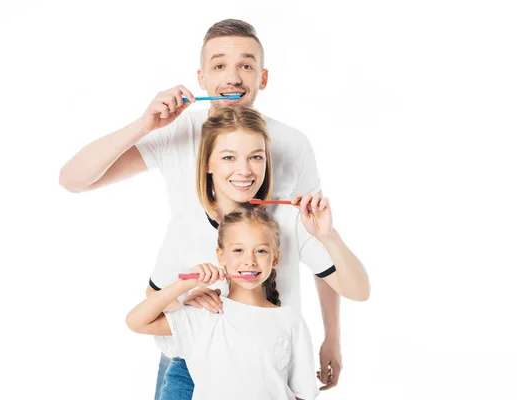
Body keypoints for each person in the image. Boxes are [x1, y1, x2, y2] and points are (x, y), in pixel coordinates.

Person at [59, 19, 344, 396]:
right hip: (191, 347)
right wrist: (144, 124)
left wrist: (332, 337)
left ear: (263, 77)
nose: (233, 77)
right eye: (219, 65)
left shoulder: (292, 143)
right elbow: (73, 179)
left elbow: (319, 244)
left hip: (269, 347)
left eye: (246, 65)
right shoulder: (177, 132)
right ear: (201, 77)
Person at [145, 106, 369, 399]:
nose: (245, 170)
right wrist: (184, 302)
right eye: (228, 157)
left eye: (256, 157)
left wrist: (329, 237)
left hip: (268, 370)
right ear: (207, 164)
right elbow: (153, 298)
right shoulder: (186, 226)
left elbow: (358, 291)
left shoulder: (290, 221)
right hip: (192, 372)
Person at [126, 203, 370, 400]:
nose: (250, 261)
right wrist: (185, 284)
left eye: (261, 251)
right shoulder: (205, 313)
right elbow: (137, 322)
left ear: (275, 259)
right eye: (238, 251)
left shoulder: (290, 321)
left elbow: (302, 394)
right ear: (221, 256)